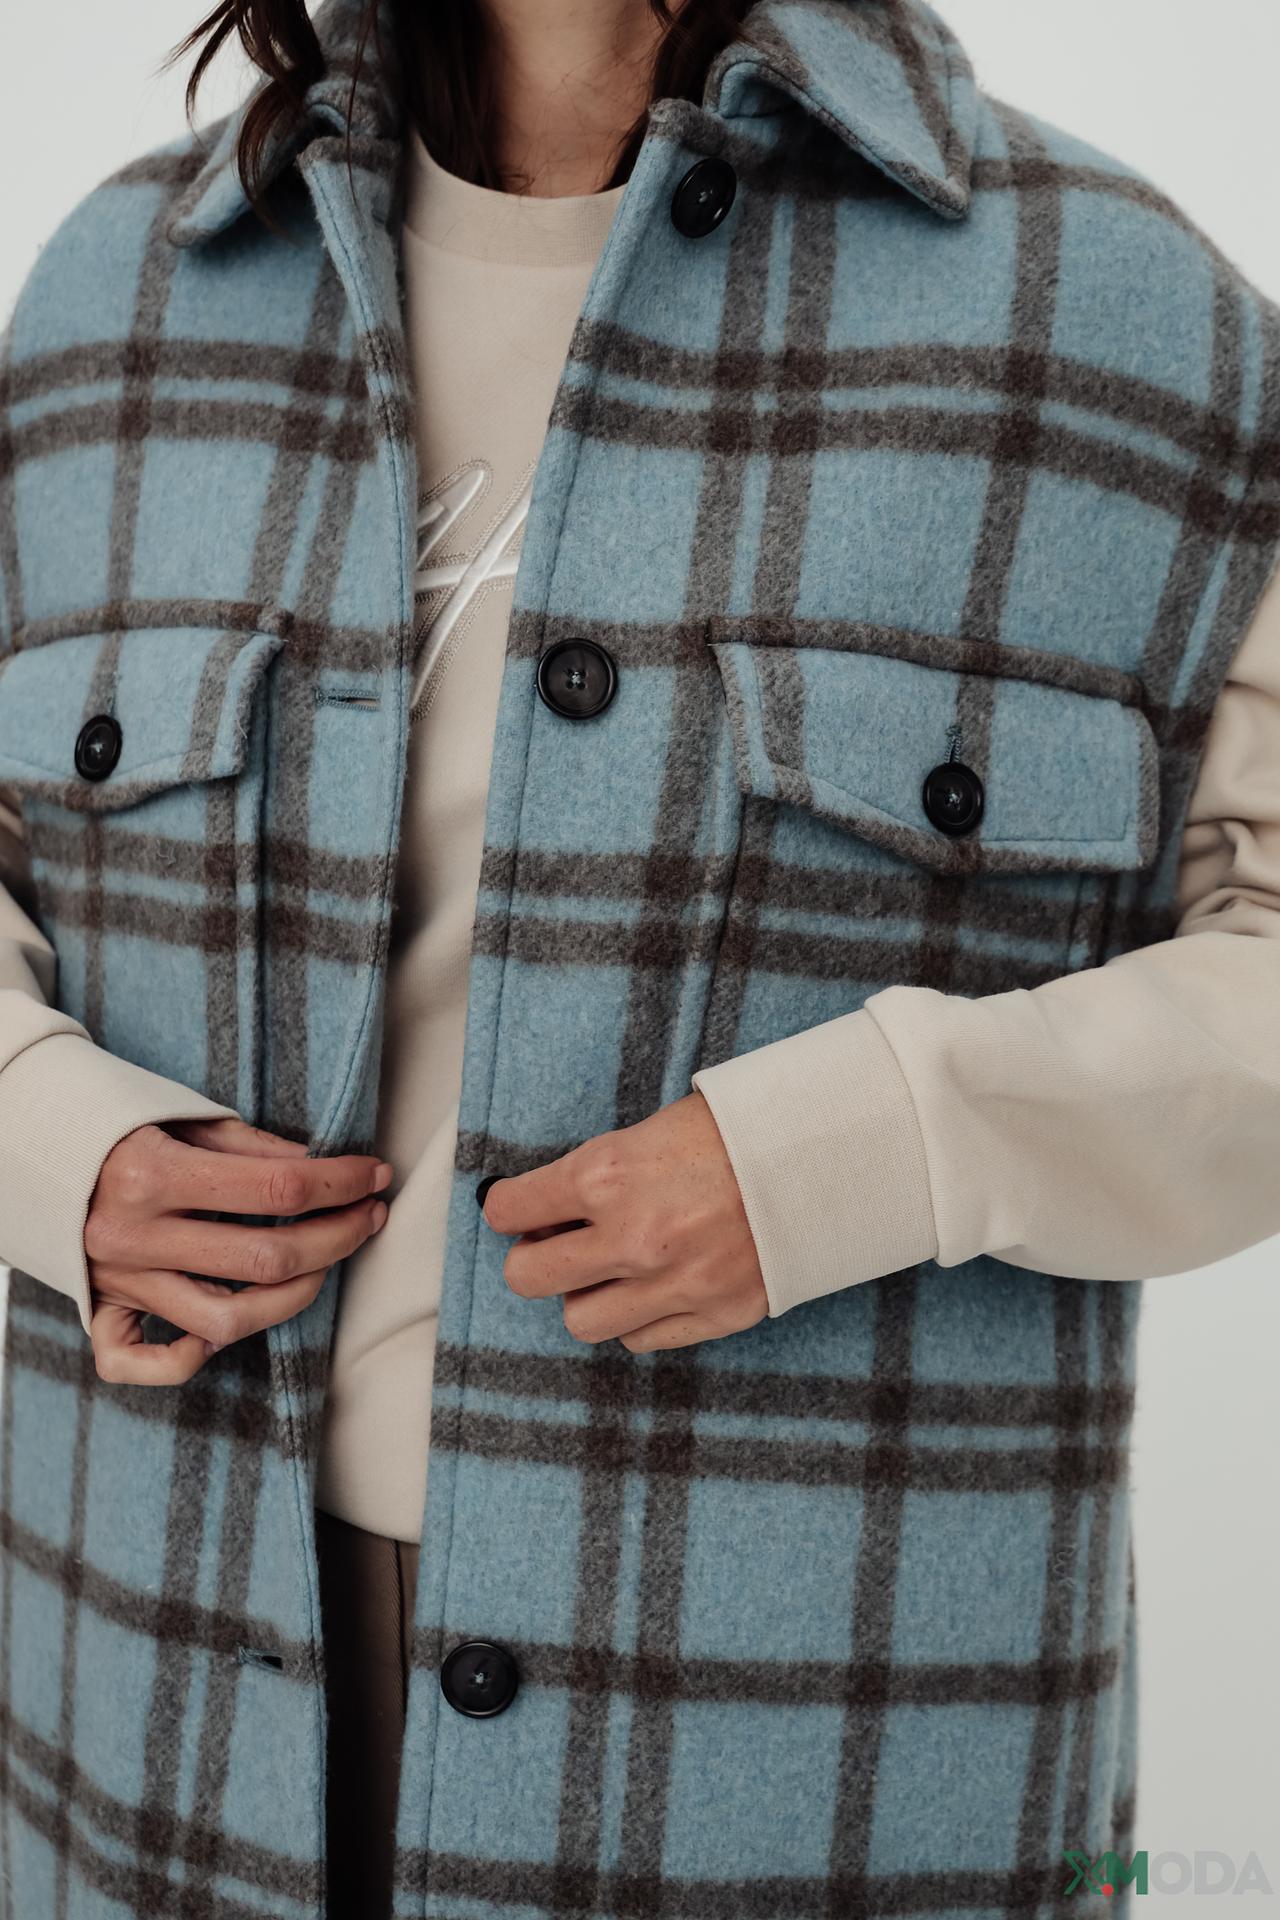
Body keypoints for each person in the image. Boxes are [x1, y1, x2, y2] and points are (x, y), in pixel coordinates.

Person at [0, 0, 1277, 1913]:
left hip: (812, 1760)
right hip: (149, 1712)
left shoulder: (1125, 324)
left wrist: (883, 1141)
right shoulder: (118, 300)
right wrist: (43, 1141)